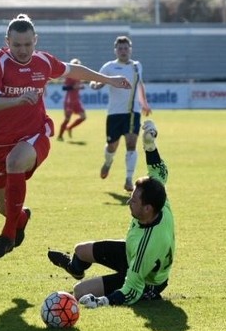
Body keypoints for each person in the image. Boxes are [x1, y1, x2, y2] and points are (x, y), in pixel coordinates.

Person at [0, 14, 131, 260]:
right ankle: (21, 218)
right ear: (7, 41)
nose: (23, 50)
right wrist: (18, 98)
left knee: (15, 162)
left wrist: (108, 79)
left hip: (35, 134)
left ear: (35, 40)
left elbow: (74, 71)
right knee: (4, 208)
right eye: (16, 45)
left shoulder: (43, 62)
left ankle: (7, 236)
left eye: (28, 44)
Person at [48, 120, 175, 308]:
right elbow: (158, 171)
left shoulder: (147, 245)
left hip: (147, 280)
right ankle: (75, 268)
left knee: (80, 291)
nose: (128, 202)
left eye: (134, 201)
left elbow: (132, 289)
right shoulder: (158, 199)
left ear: (148, 208)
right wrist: (149, 144)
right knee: (81, 251)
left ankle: (151, 296)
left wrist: (104, 301)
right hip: (131, 253)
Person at [91, 35, 152, 192]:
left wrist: (144, 103)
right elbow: (97, 81)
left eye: (126, 48)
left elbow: (140, 84)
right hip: (114, 114)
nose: (123, 51)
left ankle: (129, 179)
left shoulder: (137, 66)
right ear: (115, 50)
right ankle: (108, 161)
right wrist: (95, 85)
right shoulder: (109, 67)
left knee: (131, 144)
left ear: (130, 50)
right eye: (120, 48)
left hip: (132, 112)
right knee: (112, 146)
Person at [57, 58, 87, 141]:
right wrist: (74, 87)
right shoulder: (69, 76)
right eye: (75, 65)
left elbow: (79, 86)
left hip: (76, 100)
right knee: (67, 119)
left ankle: (69, 128)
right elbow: (64, 88)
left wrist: (81, 86)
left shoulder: (79, 76)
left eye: (78, 65)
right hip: (69, 101)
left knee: (83, 117)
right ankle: (60, 136)